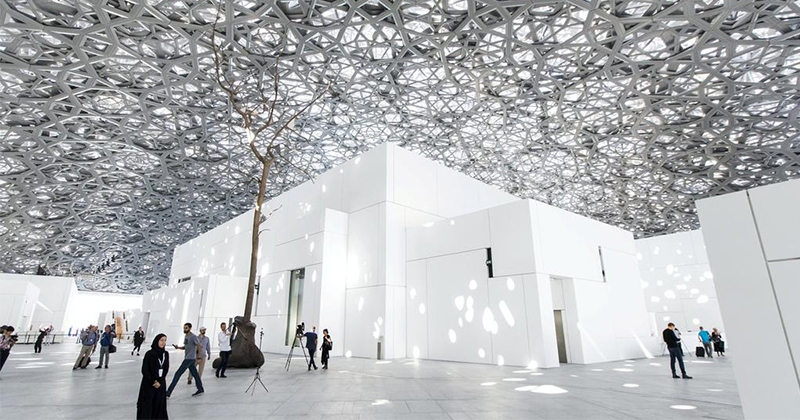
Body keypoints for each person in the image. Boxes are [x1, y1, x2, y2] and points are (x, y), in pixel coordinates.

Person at [166, 323, 204, 397]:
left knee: (178, 374)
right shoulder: (186, 336)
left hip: (189, 359)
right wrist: (178, 347)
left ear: (190, 328)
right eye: (184, 328)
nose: (185, 329)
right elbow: (186, 347)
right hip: (188, 358)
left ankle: (168, 393)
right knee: (195, 374)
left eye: (186, 328)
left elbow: (199, 345)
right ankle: (200, 388)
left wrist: (198, 356)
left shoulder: (193, 336)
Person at [137, 334, 169, 420]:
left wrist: (160, 381)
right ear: (157, 341)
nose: (163, 342)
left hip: (160, 384)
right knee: (148, 407)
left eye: (165, 340)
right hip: (149, 385)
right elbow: (145, 370)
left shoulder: (165, 354)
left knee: (159, 406)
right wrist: (153, 382)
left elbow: (165, 369)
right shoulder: (149, 354)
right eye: (161, 340)